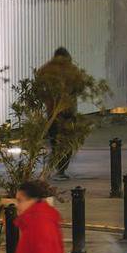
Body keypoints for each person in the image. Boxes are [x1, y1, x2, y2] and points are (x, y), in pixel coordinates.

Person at [34, 46, 89, 179]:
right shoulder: (72, 70)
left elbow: (38, 88)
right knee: (67, 139)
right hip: (68, 110)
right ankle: (62, 168)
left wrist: (47, 98)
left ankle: (55, 164)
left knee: (54, 139)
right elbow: (80, 87)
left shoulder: (46, 69)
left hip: (52, 111)